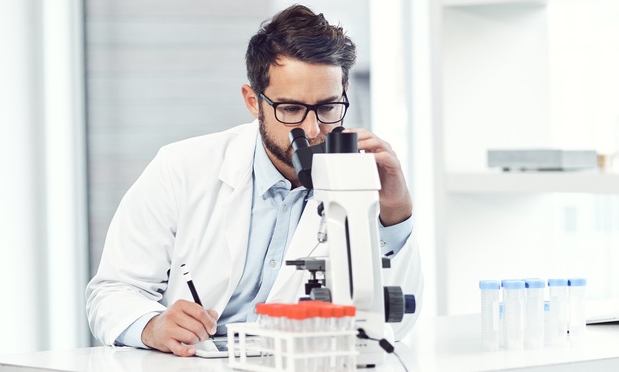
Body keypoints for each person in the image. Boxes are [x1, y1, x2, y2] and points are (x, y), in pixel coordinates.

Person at [85, 4, 423, 357]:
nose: (311, 130)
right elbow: (112, 292)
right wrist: (151, 326)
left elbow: (394, 326)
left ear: (344, 93)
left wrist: (396, 212)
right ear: (252, 101)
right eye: (291, 109)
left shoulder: (362, 179)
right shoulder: (181, 168)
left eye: (327, 108)